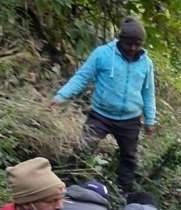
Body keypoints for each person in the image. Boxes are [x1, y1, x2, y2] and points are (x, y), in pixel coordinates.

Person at [52, 17, 156, 193]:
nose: (132, 48)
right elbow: (82, 77)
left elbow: (148, 92)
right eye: (129, 43)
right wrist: (61, 96)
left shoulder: (146, 63)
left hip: (130, 119)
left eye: (137, 44)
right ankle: (69, 185)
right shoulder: (102, 54)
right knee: (84, 149)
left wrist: (150, 119)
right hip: (100, 115)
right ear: (120, 39)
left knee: (129, 159)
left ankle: (123, 194)